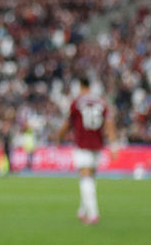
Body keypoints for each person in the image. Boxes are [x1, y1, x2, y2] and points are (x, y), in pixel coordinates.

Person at [56, 77, 117, 225]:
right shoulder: (101, 102)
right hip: (97, 144)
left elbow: (67, 123)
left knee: (85, 177)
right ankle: (83, 210)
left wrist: (58, 138)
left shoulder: (77, 102)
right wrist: (114, 144)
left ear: (81, 86)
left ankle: (93, 214)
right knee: (90, 177)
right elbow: (109, 123)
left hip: (83, 144)